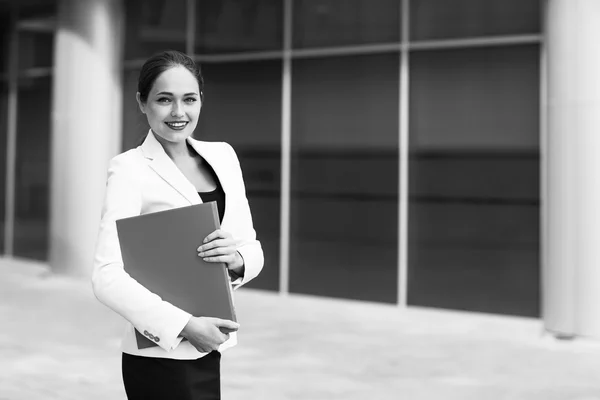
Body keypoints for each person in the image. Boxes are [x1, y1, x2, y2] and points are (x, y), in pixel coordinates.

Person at [92, 50, 264, 399]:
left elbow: (251, 247)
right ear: (142, 102)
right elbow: (106, 276)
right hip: (160, 354)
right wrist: (185, 326)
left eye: (189, 99)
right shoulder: (130, 169)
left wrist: (237, 260)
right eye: (164, 100)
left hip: (210, 345)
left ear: (201, 100)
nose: (178, 113)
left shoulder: (223, 157)